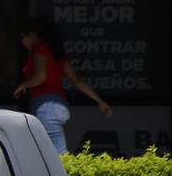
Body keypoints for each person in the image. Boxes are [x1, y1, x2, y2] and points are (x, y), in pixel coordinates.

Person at [13, 16, 113, 153]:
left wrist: (24, 85)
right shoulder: (55, 54)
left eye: (23, 37)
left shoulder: (40, 50)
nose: (22, 41)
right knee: (45, 154)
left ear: (32, 35)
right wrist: (99, 101)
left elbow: (40, 76)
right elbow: (76, 80)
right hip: (58, 105)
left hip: (46, 107)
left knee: (58, 155)